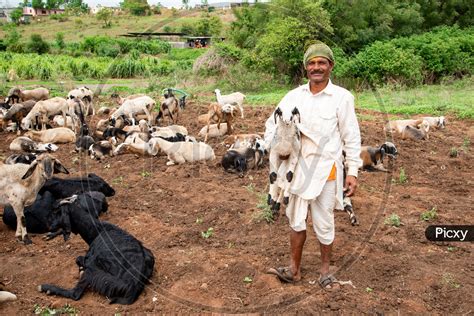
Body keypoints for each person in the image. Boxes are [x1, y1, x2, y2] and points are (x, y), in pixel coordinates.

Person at [264, 41, 362, 289]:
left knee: (324, 221)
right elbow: (271, 125)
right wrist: (277, 146)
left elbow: (351, 136)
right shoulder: (293, 96)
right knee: (295, 219)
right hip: (296, 171)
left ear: (331, 66)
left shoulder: (342, 98)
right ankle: (294, 270)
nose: (316, 67)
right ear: (305, 67)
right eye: (312, 63)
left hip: (326, 170)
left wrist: (352, 171)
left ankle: (325, 272)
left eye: (321, 62)